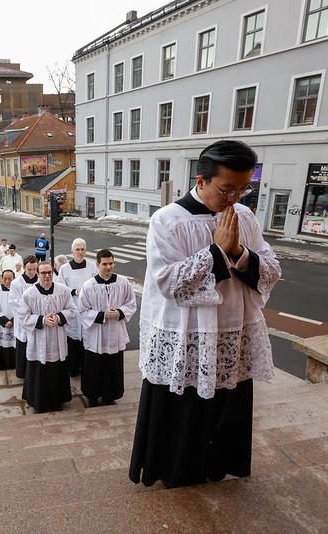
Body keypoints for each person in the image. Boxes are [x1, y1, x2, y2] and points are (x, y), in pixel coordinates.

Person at [128, 140, 280, 489]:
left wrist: (238, 250)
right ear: (201, 181)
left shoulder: (245, 216)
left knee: (226, 405)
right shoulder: (168, 220)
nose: (235, 198)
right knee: (183, 410)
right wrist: (216, 250)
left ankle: (218, 465)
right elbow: (169, 282)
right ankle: (177, 470)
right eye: (227, 189)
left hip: (232, 328)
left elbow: (270, 268)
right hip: (186, 332)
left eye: (244, 188)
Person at [78, 249, 137, 407]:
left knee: (113, 365)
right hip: (96, 334)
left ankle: (110, 395)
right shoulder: (89, 285)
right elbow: (82, 310)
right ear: (97, 264)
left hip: (114, 333)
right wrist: (103, 315)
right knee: (94, 366)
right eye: (104, 264)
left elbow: (131, 304)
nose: (108, 267)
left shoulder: (123, 282)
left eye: (111, 263)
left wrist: (119, 312)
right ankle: (92, 395)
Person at [19, 261, 76, 414]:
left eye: (49, 272)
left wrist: (58, 318)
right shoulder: (29, 294)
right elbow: (23, 317)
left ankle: (57, 401)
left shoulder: (63, 291)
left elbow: (72, 310)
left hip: (57, 338)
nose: (47, 276)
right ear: (37, 274)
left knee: (56, 370)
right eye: (43, 273)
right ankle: (39, 402)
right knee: (39, 372)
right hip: (38, 340)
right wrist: (42, 320)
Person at [57, 238, 98, 378]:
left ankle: (86, 367)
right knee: (73, 341)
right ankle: (72, 368)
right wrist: (75, 291)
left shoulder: (93, 267)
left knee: (87, 339)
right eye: (77, 250)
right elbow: (60, 290)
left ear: (85, 251)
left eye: (82, 249)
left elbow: (97, 285)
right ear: (72, 252)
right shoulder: (65, 269)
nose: (80, 252)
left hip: (88, 309)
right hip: (73, 309)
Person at [9, 255, 38, 378]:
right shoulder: (16, 283)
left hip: (37, 321)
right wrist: (32, 309)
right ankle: (23, 373)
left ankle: (35, 373)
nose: (32, 273)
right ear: (24, 267)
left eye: (35, 269)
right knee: (24, 348)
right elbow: (15, 302)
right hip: (23, 323)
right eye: (29, 269)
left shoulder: (40, 281)